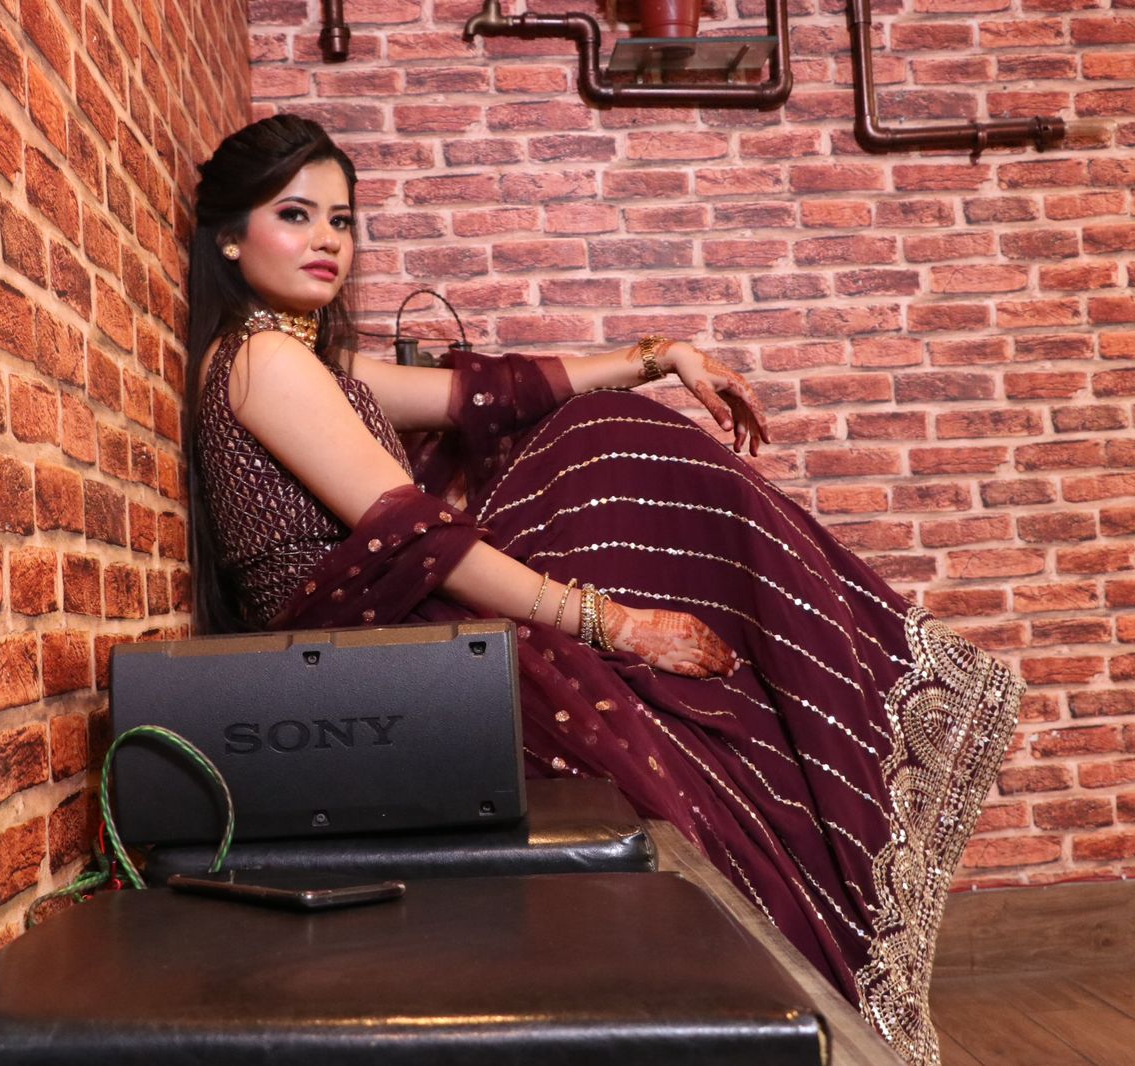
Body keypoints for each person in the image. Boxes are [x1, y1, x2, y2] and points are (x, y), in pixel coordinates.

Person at [187, 114, 1023, 1066]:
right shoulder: (262, 362)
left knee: (601, 427)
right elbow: (419, 538)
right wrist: (614, 623)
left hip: (389, 642)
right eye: (295, 215)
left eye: (341, 220)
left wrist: (658, 358)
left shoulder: (301, 361)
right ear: (230, 237)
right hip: (361, 664)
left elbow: (485, 395)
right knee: (671, 733)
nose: (328, 241)